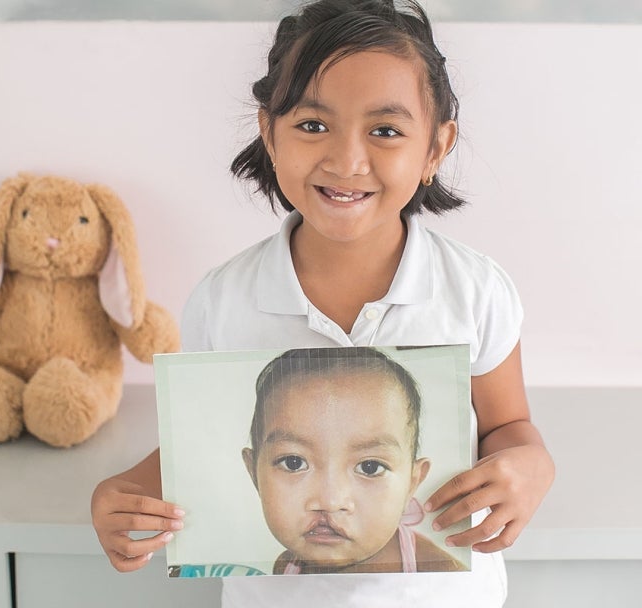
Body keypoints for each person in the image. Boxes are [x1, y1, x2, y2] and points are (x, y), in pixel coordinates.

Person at [91, 0, 555, 605]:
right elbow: (198, 445)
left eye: (385, 131)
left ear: (436, 148)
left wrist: (533, 468)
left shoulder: (475, 291)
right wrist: (124, 493)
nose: (347, 161)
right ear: (269, 132)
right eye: (313, 125)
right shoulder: (224, 299)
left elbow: (508, 426)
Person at [243, 346, 467, 575]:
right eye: (293, 463)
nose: (330, 501)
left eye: (370, 467)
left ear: (412, 482)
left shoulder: (442, 571)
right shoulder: (286, 566)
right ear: (253, 473)